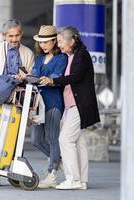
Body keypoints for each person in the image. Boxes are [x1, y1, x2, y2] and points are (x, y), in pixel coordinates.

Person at [40, 26, 100, 190]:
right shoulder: (72, 56)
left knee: (65, 139)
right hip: (71, 105)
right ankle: (81, 181)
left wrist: (53, 81)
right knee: (78, 142)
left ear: (71, 40)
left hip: (79, 105)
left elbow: (76, 77)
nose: (58, 45)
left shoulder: (82, 55)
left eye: (60, 41)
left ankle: (72, 179)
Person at [0, 18, 34, 186]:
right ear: (4, 36)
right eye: (11, 36)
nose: (14, 39)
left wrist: (24, 77)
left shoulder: (27, 53)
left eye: (17, 35)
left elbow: (32, 77)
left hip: (19, 101)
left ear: (21, 34)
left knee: (17, 137)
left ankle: (15, 172)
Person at [31, 25, 67, 188]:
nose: (43, 45)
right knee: (36, 140)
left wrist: (45, 79)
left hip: (53, 102)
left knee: (52, 138)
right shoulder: (37, 59)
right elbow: (34, 76)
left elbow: (56, 76)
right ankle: (59, 160)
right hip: (38, 104)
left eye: (47, 42)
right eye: (41, 42)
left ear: (54, 41)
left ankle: (52, 174)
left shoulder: (62, 58)